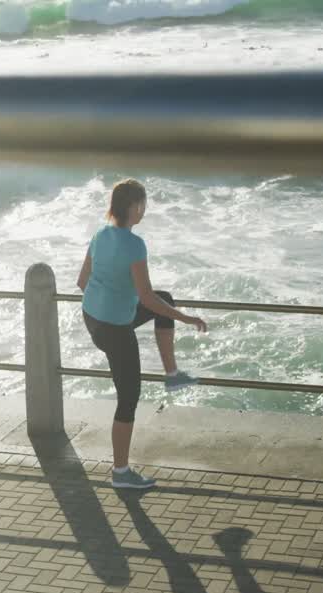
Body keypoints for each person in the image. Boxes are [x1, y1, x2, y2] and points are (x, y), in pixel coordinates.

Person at [77, 179, 207, 490]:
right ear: (134, 206)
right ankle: (121, 473)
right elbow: (147, 300)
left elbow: (83, 281)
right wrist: (187, 319)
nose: (144, 209)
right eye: (143, 204)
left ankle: (172, 372)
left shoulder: (100, 233)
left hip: (92, 317)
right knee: (129, 398)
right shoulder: (135, 244)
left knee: (167, 297)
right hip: (114, 328)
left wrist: (116, 298)